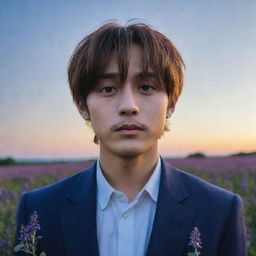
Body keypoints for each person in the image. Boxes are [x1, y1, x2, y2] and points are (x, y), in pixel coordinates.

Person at [15, 22, 247, 256]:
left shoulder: (221, 210)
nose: (128, 106)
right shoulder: (38, 209)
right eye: (107, 89)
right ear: (82, 105)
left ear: (171, 103)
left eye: (146, 87)